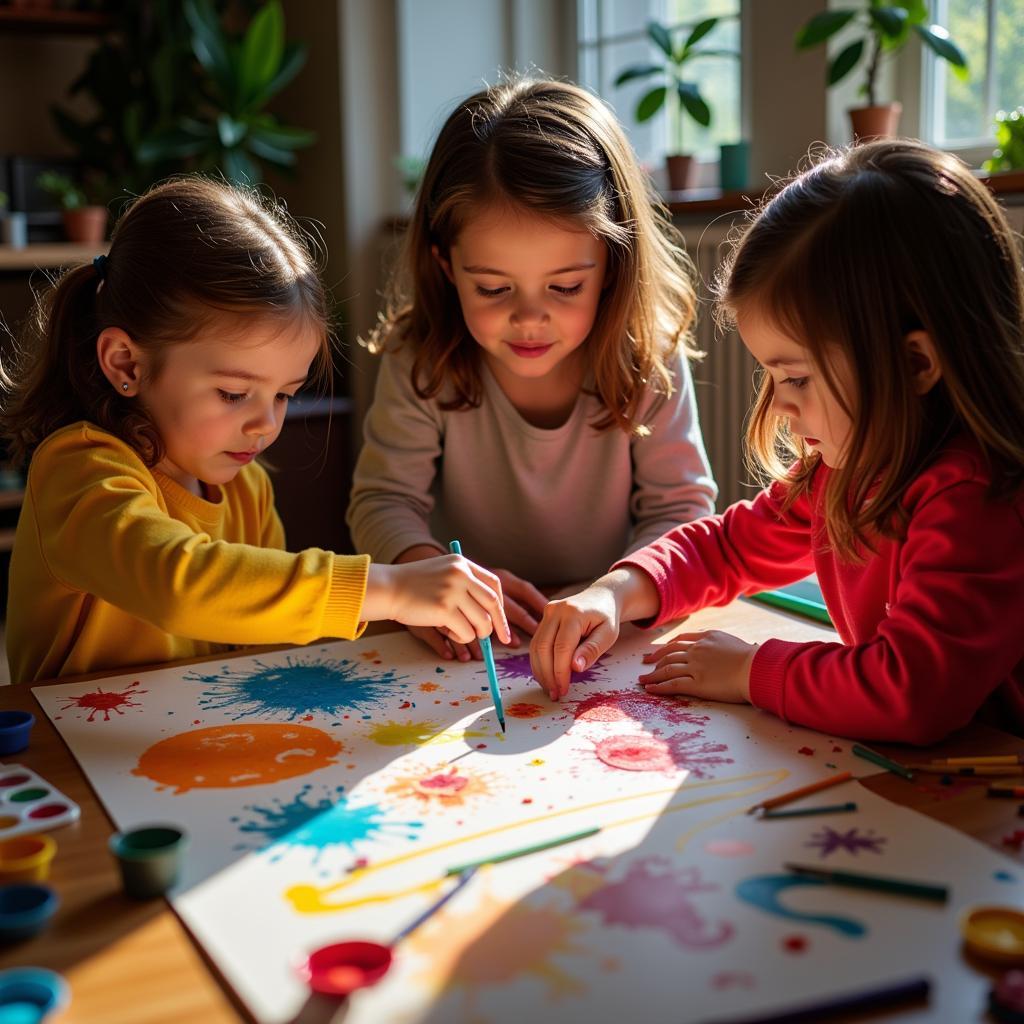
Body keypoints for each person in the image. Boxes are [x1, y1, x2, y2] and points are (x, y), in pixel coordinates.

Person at [530, 139, 1024, 745]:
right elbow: (727, 548)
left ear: (916, 364)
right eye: (772, 375)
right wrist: (613, 593)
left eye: (796, 377)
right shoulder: (847, 472)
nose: (780, 405)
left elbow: (912, 691)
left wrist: (748, 670)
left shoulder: (972, 498)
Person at [1, 177, 509, 684]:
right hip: (69, 751)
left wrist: (406, 610)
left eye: (284, 394)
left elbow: (264, 635)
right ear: (126, 364)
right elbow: (180, 585)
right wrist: (391, 589)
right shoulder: (78, 472)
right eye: (232, 393)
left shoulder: (246, 489)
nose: (266, 424)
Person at [347, 78, 717, 664]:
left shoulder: (648, 355)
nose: (528, 318)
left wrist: (614, 594)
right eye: (492, 288)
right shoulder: (420, 356)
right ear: (445, 265)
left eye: (566, 286)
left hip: (607, 633)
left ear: (612, 266)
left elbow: (682, 514)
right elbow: (382, 502)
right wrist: (421, 579)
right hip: (474, 640)